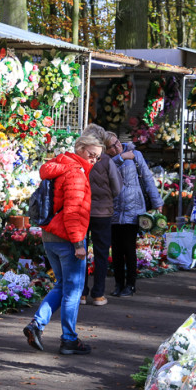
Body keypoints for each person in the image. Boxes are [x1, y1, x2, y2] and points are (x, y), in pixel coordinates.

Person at [23, 135, 103, 355]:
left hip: (50, 235)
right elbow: (74, 212)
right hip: (68, 238)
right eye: (91, 154)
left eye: (97, 156)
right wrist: (79, 243)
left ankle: (36, 325)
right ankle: (68, 339)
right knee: (73, 290)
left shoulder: (58, 166)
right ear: (79, 149)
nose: (94, 160)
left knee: (61, 285)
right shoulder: (76, 174)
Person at [106, 137, 164, 297]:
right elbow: (106, 172)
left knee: (129, 248)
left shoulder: (135, 154)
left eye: (117, 142)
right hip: (114, 208)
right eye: (111, 146)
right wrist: (120, 158)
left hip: (133, 208)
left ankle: (130, 284)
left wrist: (157, 201)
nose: (116, 147)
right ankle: (118, 283)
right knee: (116, 249)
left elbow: (147, 178)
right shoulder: (107, 160)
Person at [81, 126, 122, 306]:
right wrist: (107, 197)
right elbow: (118, 187)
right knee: (101, 253)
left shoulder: (80, 159)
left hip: (82, 211)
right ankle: (98, 294)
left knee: (80, 251)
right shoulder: (106, 161)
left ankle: (81, 293)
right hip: (102, 213)